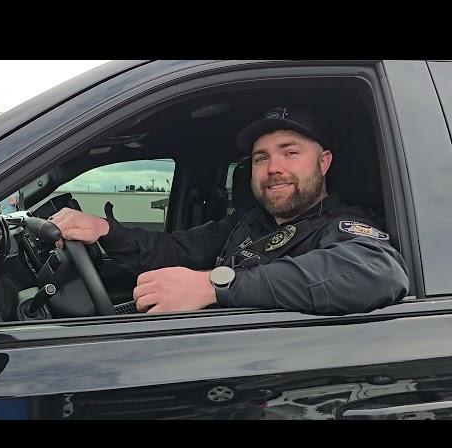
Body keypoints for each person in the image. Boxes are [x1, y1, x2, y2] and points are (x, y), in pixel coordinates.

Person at [49, 105, 409, 315]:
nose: (274, 168)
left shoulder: (342, 225)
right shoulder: (249, 221)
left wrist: (213, 286)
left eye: (291, 153)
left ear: (324, 162)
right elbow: (175, 249)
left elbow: (378, 272)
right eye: (261, 158)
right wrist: (106, 230)